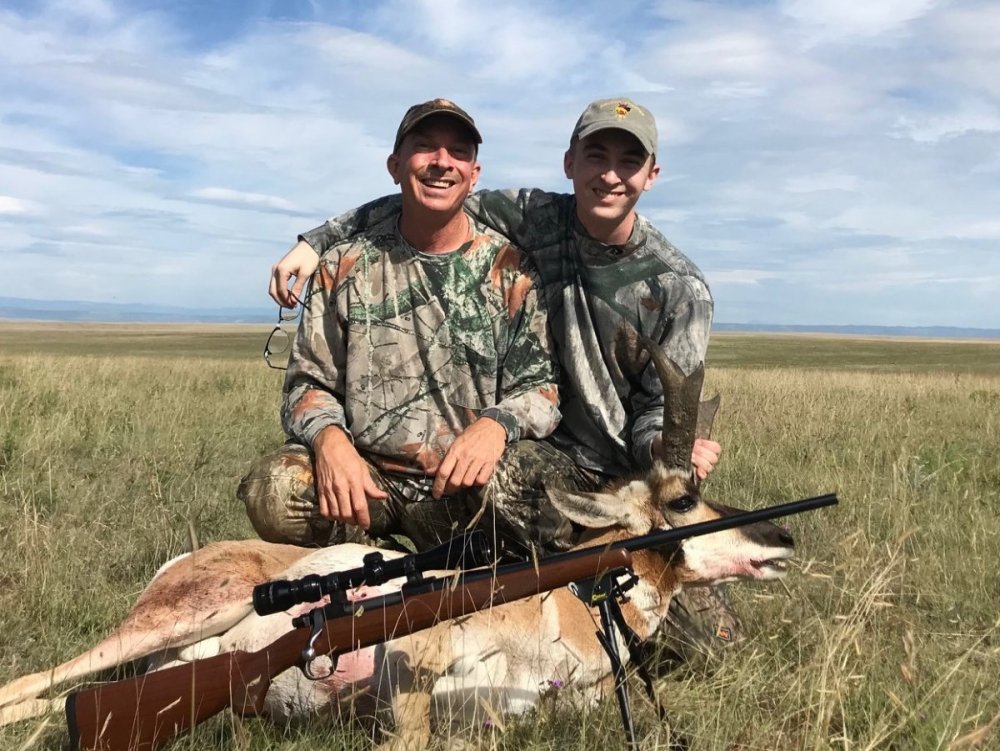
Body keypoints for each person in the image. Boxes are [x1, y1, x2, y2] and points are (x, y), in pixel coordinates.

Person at [267, 97, 738, 656]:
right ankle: (365, 595)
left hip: (622, 477)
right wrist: (314, 241)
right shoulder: (535, 219)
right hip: (526, 456)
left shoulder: (677, 287)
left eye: (628, 162)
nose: (610, 175)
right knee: (278, 491)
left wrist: (661, 444)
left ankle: (551, 596)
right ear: (570, 163)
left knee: (708, 649)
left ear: (651, 175)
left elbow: (656, 409)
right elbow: (421, 200)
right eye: (596, 156)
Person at [239, 98, 577, 554]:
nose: (442, 162)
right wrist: (329, 440)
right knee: (276, 490)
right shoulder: (343, 265)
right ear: (395, 166)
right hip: (369, 482)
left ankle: (462, 570)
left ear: (474, 175)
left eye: (458, 151)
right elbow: (307, 383)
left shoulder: (512, 270)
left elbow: (541, 389)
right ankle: (379, 566)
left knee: (540, 493)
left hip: (464, 485)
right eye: (425, 148)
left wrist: (495, 426)